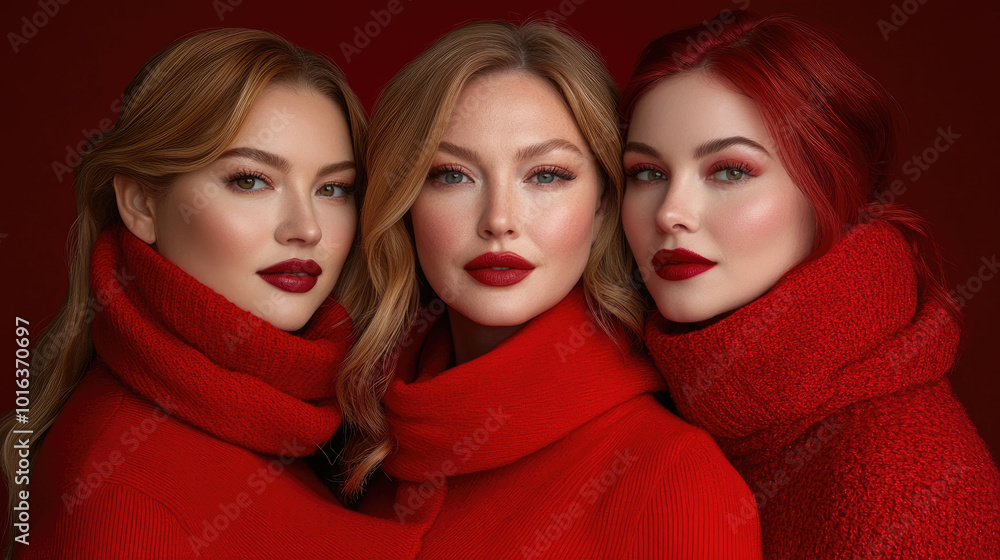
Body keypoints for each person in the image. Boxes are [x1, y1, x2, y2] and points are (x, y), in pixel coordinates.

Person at [1, 28, 438, 559]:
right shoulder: (124, 499)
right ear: (140, 203)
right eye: (251, 181)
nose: (307, 229)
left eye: (333, 189)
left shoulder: (326, 415)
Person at [336, 20, 762, 559]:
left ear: (605, 201)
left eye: (546, 175)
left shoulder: (672, 477)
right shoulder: (367, 438)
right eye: (450, 174)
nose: (499, 220)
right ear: (404, 201)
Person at [620, 11, 1000, 559]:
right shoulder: (655, 409)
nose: (670, 213)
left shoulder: (910, 492)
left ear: (828, 185)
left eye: (730, 171)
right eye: (647, 174)